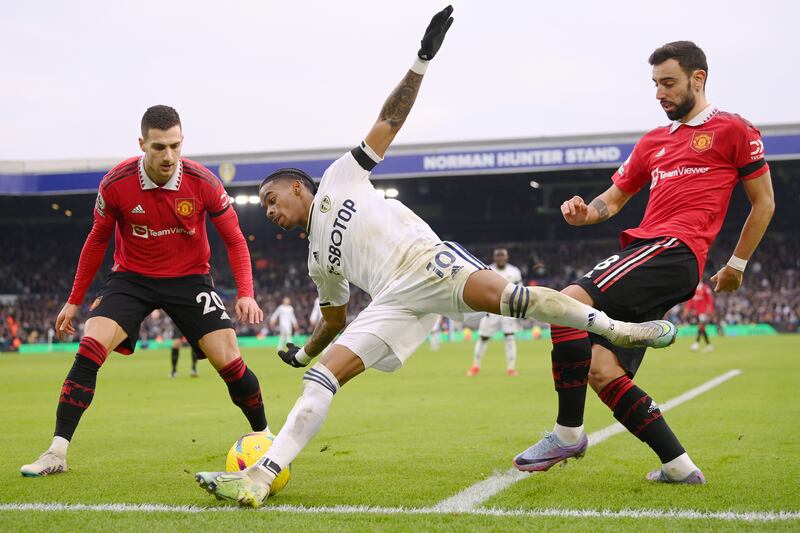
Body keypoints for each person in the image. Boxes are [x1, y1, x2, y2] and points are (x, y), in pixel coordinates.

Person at [195, 6, 676, 507]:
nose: (270, 211)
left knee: (510, 298)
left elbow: (389, 120)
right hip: (391, 301)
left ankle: (615, 329)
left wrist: (422, 60)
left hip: (424, 260)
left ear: (298, 188)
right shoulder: (317, 259)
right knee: (321, 379)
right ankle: (261, 475)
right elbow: (334, 318)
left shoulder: (340, 177)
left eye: (273, 200)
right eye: (266, 207)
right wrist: (303, 354)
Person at [513, 41, 774, 484]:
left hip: (674, 250)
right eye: (655, 84)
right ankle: (679, 466)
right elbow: (613, 200)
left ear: (698, 79)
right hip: (649, 255)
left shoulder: (733, 130)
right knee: (601, 370)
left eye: (668, 83)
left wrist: (737, 264)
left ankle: (568, 433)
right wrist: (585, 212)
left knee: (564, 303)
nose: (659, 93)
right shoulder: (653, 142)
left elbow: (763, 203)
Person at [20, 105, 267, 477]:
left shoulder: (204, 182)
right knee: (90, 346)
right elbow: (96, 241)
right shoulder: (116, 183)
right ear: (142, 144)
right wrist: (74, 301)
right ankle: (56, 452)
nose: (168, 156)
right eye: (158, 147)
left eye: (175, 145)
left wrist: (245, 292)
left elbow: (234, 239)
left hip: (190, 279)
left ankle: (268, 442)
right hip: (132, 278)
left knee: (229, 361)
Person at [467, 248, 523, 377]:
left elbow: (519, 290)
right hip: (491, 311)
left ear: (506, 257)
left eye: (502, 255)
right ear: (494, 257)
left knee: (510, 338)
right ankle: (475, 366)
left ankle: (511, 368)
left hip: (508, 311)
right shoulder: (488, 270)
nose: (500, 258)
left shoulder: (514, 271)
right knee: (483, 338)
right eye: (498, 255)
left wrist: (518, 309)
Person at [685, 281, 715, 352]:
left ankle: (696, 343)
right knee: (702, 329)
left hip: (703, 312)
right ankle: (709, 345)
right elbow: (691, 301)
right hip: (697, 313)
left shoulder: (705, 288)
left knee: (701, 327)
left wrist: (710, 309)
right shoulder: (694, 289)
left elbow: (710, 299)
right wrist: (687, 309)